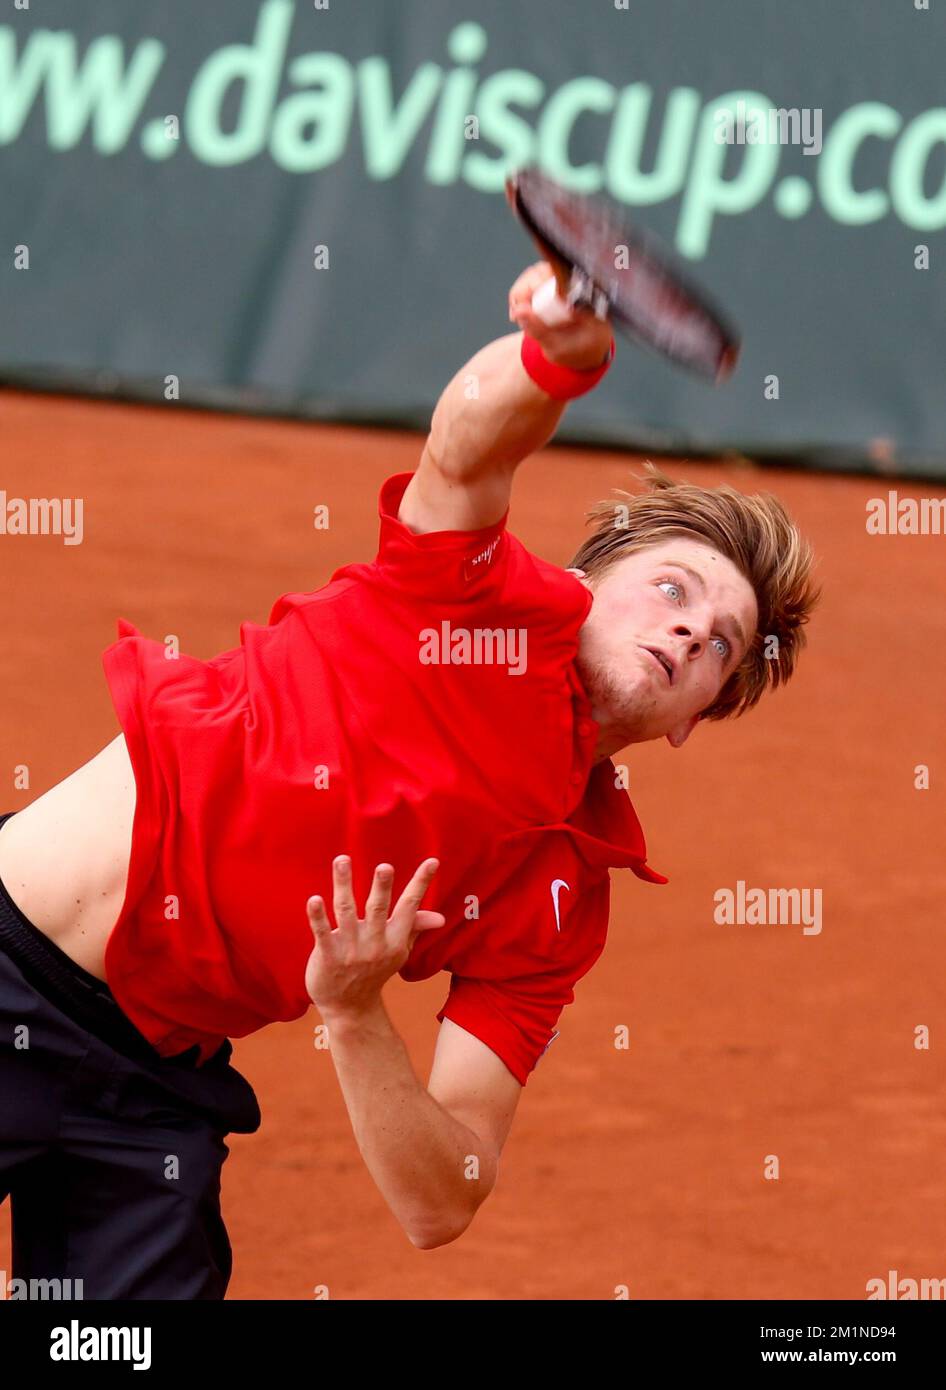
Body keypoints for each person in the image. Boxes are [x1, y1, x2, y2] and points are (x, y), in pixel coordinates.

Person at [0, 260, 818, 1298]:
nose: (689, 628)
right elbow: (466, 439)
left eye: (718, 644)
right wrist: (554, 356)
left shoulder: (560, 897)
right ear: (582, 585)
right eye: (670, 588)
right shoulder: (467, 603)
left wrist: (352, 1011)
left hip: (146, 1088)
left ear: (693, 719)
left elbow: (446, 1196)